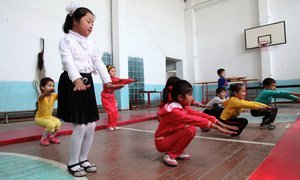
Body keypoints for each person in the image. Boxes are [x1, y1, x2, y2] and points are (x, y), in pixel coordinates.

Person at [57, 3, 114, 177]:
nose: (91, 25)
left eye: (93, 23)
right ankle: (72, 162)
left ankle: (83, 159)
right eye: (88, 21)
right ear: (75, 21)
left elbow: (98, 62)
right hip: (72, 82)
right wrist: (77, 80)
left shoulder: (91, 44)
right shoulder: (66, 40)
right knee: (80, 125)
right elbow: (68, 62)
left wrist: (108, 81)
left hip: (86, 82)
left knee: (91, 125)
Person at [154, 80, 237, 167]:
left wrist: (219, 123)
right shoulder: (174, 111)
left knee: (187, 128)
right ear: (180, 98)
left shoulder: (182, 107)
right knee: (190, 130)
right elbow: (194, 119)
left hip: (169, 138)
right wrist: (216, 127)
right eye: (190, 95)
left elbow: (198, 114)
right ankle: (170, 155)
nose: (192, 98)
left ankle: (176, 152)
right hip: (162, 142)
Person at [101, 65, 136, 131]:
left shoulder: (115, 78)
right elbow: (111, 86)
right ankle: (109, 126)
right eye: (112, 71)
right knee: (111, 112)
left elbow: (123, 81)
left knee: (115, 112)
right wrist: (119, 86)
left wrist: (131, 80)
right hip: (105, 97)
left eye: (114, 71)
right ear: (108, 72)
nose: (114, 73)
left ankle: (114, 125)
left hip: (112, 97)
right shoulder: (106, 79)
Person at [34, 77, 61, 146]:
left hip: (49, 117)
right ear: (42, 87)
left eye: (53, 86)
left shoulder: (53, 96)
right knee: (51, 124)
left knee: (58, 123)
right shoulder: (41, 97)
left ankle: (52, 137)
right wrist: (47, 93)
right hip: (40, 118)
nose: (52, 87)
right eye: (49, 86)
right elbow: (41, 97)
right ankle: (44, 138)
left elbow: (62, 95)